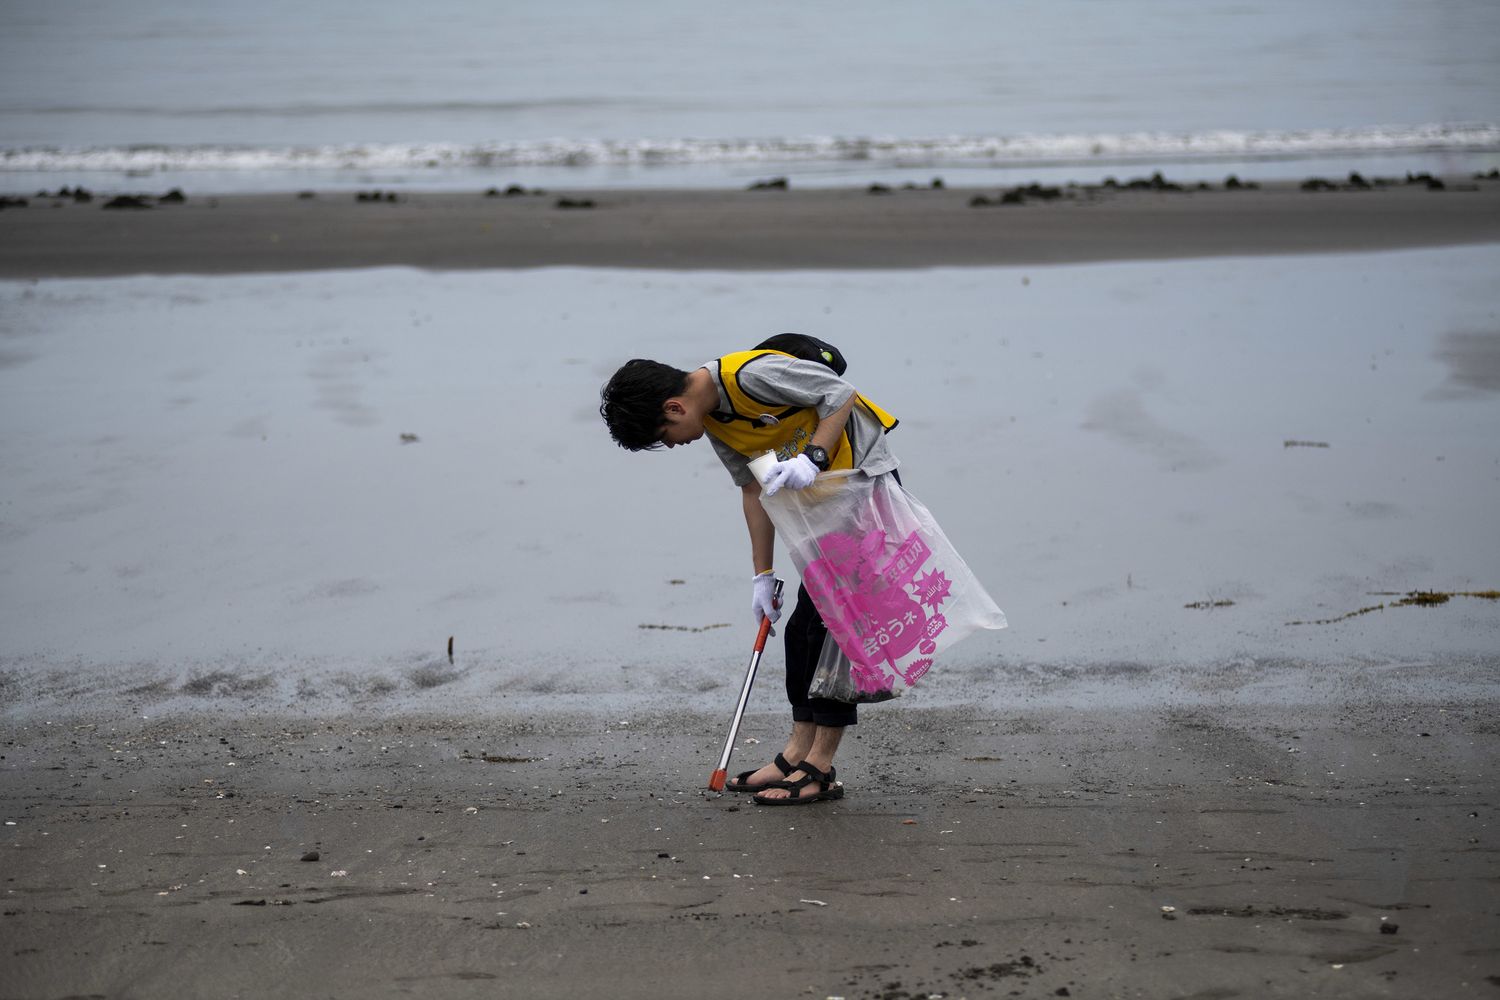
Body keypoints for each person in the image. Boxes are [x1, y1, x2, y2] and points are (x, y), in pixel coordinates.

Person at [599, 342, 900, 806]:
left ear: (675, 406)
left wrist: (812, 457)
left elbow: (840, 394)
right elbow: (753, 489)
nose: (674, 443)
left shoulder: (751, 376)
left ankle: (819, 768)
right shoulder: (715, 420)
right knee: (802, 629)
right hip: (823, 502)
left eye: (667, 432)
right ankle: (797, 752)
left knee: (830, 628)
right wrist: (763, 574)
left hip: (864, 486)